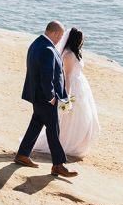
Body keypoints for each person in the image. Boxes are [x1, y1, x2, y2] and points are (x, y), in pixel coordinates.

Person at [14, 20, 78, 177]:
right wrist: (51, 97)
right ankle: (58, 165)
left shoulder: (37, 43)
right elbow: (47, 76)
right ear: (55, 33)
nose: (60, 39)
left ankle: (22, 155)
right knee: (53, 130)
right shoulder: (48, 49)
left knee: (36, 124)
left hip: (37, 95)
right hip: (45, 98)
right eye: (60, 35)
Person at [32, 27, 100, 160]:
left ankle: (75, 142)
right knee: (71, 118)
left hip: (81, 88)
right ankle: (64, 144)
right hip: (73, 87)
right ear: (76, 40)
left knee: (82, 117)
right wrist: (66, 97)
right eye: (81, 39)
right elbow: (67, 77)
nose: (83, 41)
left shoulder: (75, 52)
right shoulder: (68, 55)